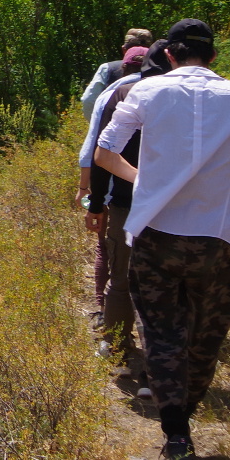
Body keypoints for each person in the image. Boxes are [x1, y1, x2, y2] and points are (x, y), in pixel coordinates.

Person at [95, 19, 230, 460]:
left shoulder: (147, 93)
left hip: (157, 235)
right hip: (218, 238)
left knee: (162, 335)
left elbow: (106, 152)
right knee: (205, 340)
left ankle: (176, 437)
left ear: (169, 54)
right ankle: (184, 420)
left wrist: (142, 179)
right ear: (213, 56)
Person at [81, 42, 170, 395]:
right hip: (175, 206)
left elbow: (103, 152)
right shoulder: (189, 99)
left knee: (122, 281)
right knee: (163, 290)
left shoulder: (122, 93)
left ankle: (119, 355)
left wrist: (95, 204)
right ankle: (155, 370)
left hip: (126, 203)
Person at [77, 27, 155, 316]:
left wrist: (87, 191)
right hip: (162, 194)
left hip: (117, 187)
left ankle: (105, 314)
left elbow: (95, 148)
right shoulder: (171, 90)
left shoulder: (112, 84)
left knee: (108, 248)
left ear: (125, 53)